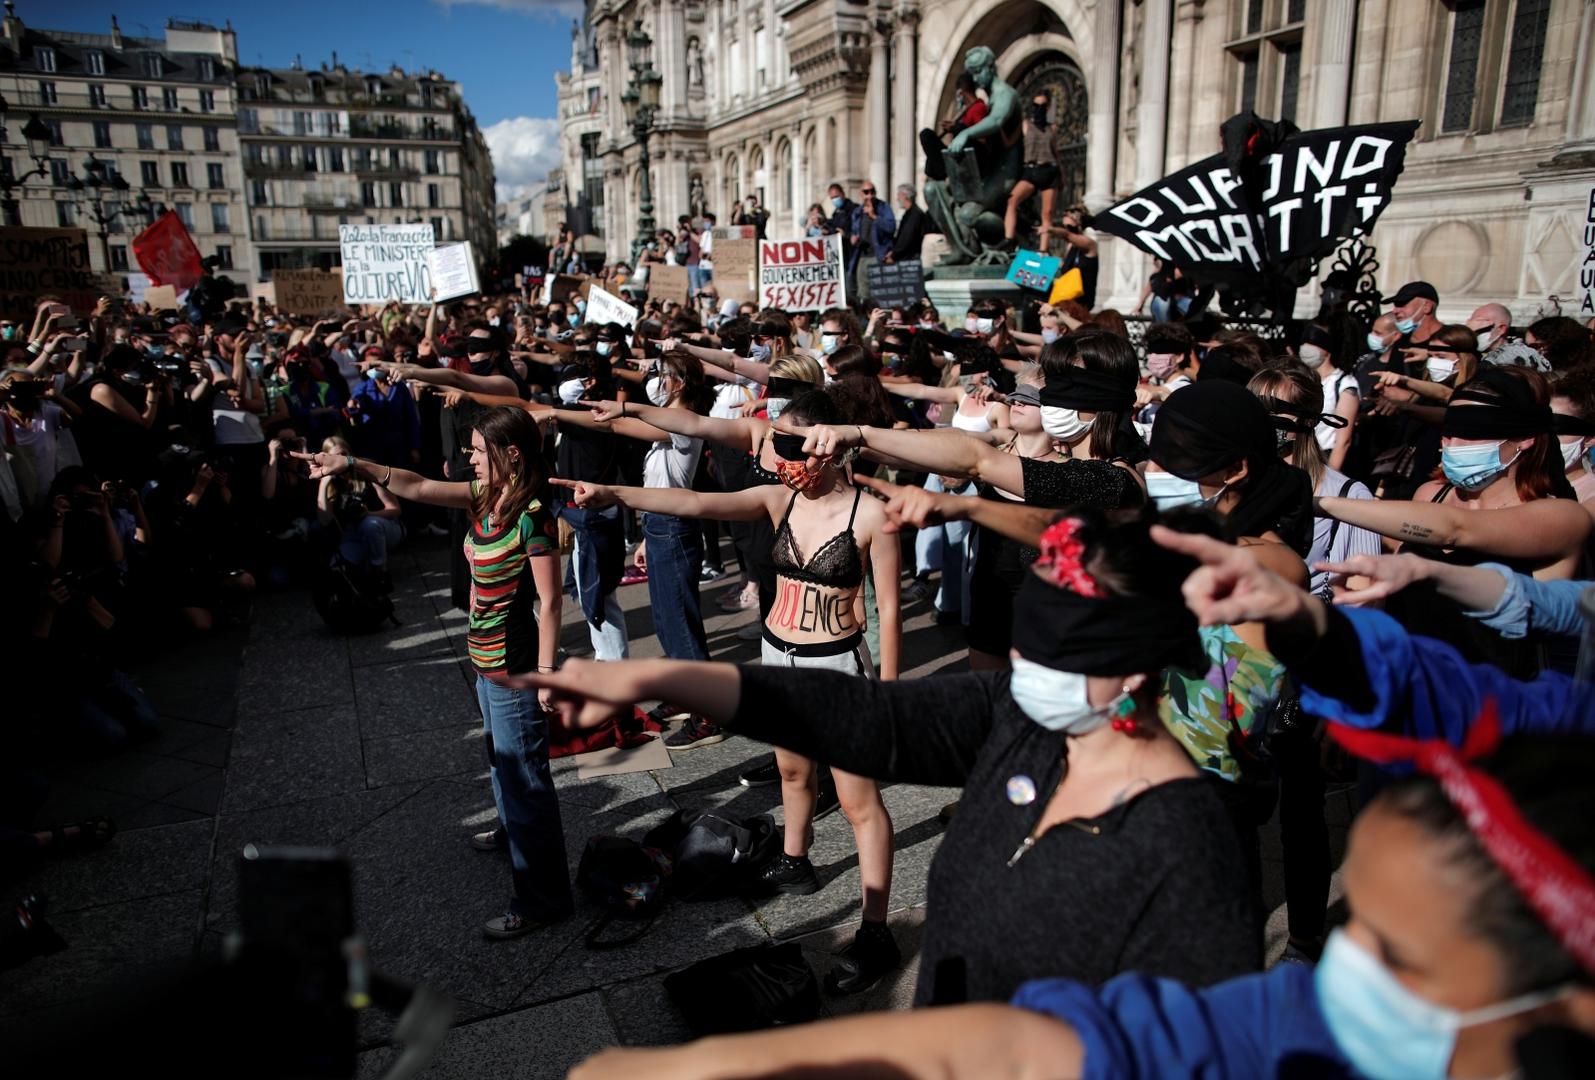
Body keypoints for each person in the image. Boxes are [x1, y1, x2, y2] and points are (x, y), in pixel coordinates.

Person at [519, 507, 1261, 1008]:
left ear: (1134, 666)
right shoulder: (1025, 718)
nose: (1026, 666)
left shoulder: (1186, 845)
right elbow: (861, 718)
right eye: (1023, 643)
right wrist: (653, 676)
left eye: (1057, 651)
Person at [568, 720, 1595, 1080]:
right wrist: (696, 1069)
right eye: (1350, 925)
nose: (1343, 973)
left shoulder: (1183, 843)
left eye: (1399, 956)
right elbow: (1011, 1053)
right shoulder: (1292, 1025)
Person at [557, 387, 905, 993]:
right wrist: (616, 494)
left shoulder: (871, 515)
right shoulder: (778, 499)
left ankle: (876, 930)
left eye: (792, 445)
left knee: (857, 802)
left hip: (838, 670)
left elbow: (890, 613)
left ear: (828, 445)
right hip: (778, 657)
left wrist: (893, 697)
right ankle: (795, 861)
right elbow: (694, 500)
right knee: (793, 774)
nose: (781, 457)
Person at [292, 408, 572, 940]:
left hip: (514, 667)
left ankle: (543, 900)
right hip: (483, 657)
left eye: (475, 449)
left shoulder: (531, 514)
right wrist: (349, 463)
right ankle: (513, 831)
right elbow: (417, 484)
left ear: (511, 454)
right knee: (500, 763)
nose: (467, 457)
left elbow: (553, 602)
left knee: (526, 781)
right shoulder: (484, 496)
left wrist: (545, 675)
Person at [1318, 367, 1590, 676]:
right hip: (1410, 686)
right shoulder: (1430, 495)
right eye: (1448, 432)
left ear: (1524, 438)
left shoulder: (1562, 516)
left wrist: (1320, 502)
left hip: (1497, 703)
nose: (1452, 445)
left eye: (1472, 433)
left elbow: (1455, 529)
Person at [1247, 361, 1381, 600]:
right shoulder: (1231, 480)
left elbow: (1361, 599)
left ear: (1309, 418)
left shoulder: (1349, 494)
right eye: (1253, 406)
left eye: (1273, 408)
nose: (1260, 418)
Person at [314, 434, 403, 586]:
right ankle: (364, 563)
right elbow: (324, 521)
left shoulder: (365, 470)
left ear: (350, 453)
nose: (341, 459)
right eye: (336, 457)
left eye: (344, 454)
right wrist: (324, 484)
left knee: (369, 525)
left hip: (385, 527)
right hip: (353, 533)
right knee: (337, 570)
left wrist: (369, 514)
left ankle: (379, 569)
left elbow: (395, 509)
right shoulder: (330, 481)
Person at [1004, 91, 1060, 251]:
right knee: (1012, 200)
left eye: (1042, 106)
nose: (1039, 109)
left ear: (1048, 107)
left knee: (1047, 212)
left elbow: (1056, 153)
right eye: (1036, 105)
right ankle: (1009, 238)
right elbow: (1010, 142)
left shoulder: (1052, 128)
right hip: (1031, 170)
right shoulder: (1026, 125)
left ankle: (1044, 249)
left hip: (1049, 170)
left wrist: (1061, 176)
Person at [920, 71, 990, 181]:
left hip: (974, 158)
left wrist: (956, 128)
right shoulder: (967, 110)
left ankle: (946, 174)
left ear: (961, 92)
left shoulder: (978, 108)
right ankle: (941, 171)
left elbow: (982, 139)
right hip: (959, 156)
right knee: (927, 136)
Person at [1468, 302, 1551, 372]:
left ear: (1501, 329)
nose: (1472, 336)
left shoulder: (1511, 355)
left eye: (1479, 330)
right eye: (1469, 330)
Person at [849, 181, 896, 302]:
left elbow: (891, 228)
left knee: (879, 292)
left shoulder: (883, 207)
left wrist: (874, 216)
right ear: (861, 194)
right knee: (863, 294)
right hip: (862, 256)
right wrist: (853, 238)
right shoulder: (857, 212)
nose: (869, 195)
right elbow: (854, 231)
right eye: (866, 192)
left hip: (879, 255)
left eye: (872, 192)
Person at [888, 185, 926, 264]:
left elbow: (906, 238)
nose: (897, 198)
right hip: (906, 258)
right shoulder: (910, 213)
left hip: (909, 260)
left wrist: (894, 256)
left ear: (904, 196)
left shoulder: (915, 214)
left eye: (898, 195)